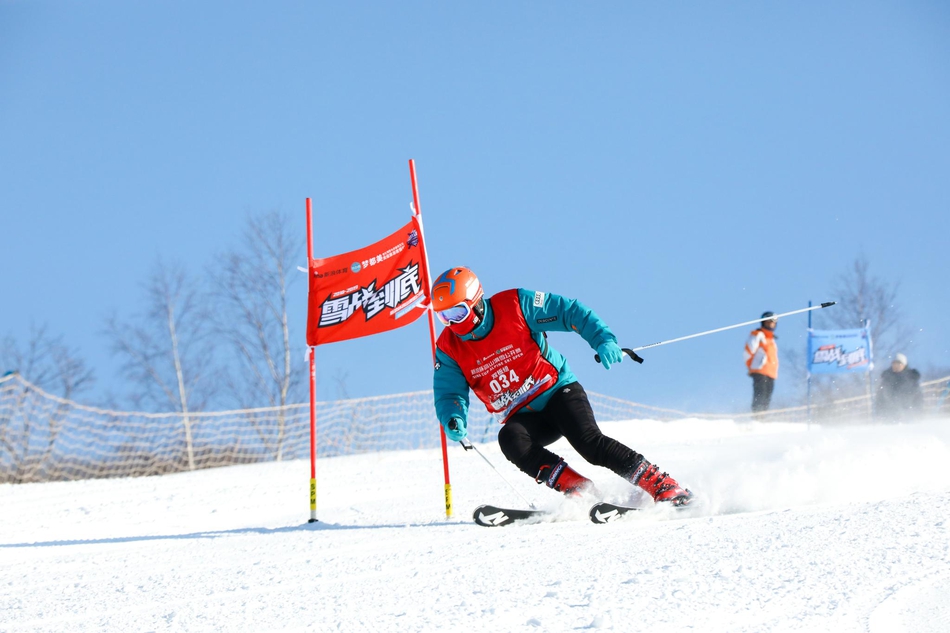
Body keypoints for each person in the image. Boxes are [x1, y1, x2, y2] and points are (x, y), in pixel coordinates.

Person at [430, 266, 692, 506]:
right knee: (510, 439)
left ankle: (663, 485)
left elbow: (569, 311)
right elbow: (449, 392)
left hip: (558, 392)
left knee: (589, 444)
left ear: (475, 302)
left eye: (457, 313)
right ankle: (580, 490)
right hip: (522, 414)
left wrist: (602, 339)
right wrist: (453, 416)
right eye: (444, 317)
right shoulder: (448, 348)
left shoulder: (515, 305)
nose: (453, 323)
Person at [744, 311, 779, 414]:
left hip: (771, 372)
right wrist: (752, 366)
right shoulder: (758, 335)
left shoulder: (771, 339)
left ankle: (763, 417)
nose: (770, 325)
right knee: (760, 395)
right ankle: (757, 416)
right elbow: (748, 352)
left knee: (767, 396)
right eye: (768, 322)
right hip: (760, 370)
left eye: (773, 323)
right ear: (763, 323)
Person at [876, 353, 923, 420]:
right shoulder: (887, 379)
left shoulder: (911, 378)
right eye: (894, 363)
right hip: (889, 415)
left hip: (909, 414)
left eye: (899, 363)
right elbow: (880, 397)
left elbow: (918, 397)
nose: (896, 366)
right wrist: (880, 413)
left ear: (904, 365)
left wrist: (918, 412)